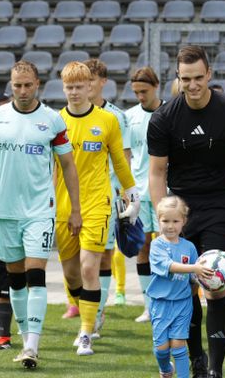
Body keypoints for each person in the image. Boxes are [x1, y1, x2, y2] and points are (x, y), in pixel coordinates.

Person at [147, 46, 225, 378]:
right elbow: (157, 172)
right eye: (186, 79)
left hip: (221, 205)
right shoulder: (164, 118)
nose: (193, 85)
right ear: (178, 79)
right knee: (186, 286)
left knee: (214, 283)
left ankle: (216, 367)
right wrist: (163, 218)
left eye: (198, 78)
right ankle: (196, 359)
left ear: (209, 75)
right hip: (182, 210)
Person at [0, 61, 81, 368]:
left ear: (38, 84)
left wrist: (75, 208)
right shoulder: (0, 117)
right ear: (11, 85)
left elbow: (69, 166)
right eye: (17, 85)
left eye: (27, 85)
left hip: (39, 211)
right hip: (4, 213)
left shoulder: (51, 121)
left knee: (36, 276)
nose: (22, 90)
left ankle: (32, 345)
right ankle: (24, 339)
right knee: (16, 281)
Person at [57, 61, 140, 356]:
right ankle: (89, 313)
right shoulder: (55, 122)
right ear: (63, 87)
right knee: (71, 275)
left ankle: (86, 333)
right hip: (62, 207)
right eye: (70, 86)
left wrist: (132, 194)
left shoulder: (107, 120)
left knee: (89, 266)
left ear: (91, 86)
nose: (76, 91)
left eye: (81, 86)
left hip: (97, 203)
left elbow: (119, 161)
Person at [83, 58, 133, 332]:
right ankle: (86, 307)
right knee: (79, 261)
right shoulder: (70, 113)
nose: (87, 85)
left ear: (103, 82)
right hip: (78, 197)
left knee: (103, 255)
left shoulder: (116, 116)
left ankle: (97, 313)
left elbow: (124, 159)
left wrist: (127, 196)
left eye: (91, 79)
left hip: (108, 196)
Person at [149, 196, 213, 378]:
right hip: (160, 303)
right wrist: (194, 268)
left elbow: (194, 275)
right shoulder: (156, 246)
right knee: (161, 348)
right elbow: (169, 266)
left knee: (178, 345)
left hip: (183, 303)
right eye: (165, 221)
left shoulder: (189, 247)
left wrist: (209, 277)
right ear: (158, 220)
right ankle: (166, 369)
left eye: (175, 221)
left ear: (183, 222)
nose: (170, 226)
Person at [126, 67, 166, 321]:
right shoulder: (129, 117)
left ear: (156, 86)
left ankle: (169, 300)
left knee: (167, 246)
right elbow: (126, 156)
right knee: (143, 247)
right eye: (136, 92)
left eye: (144, 91)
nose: (140, 96)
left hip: (166, 190)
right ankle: (149, 305)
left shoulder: (170, 113)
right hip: (139, 192)